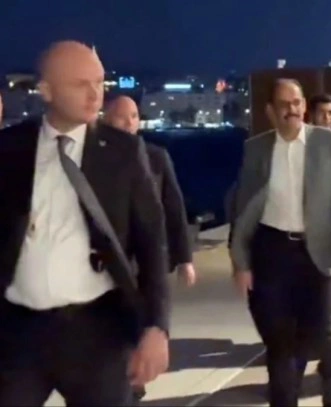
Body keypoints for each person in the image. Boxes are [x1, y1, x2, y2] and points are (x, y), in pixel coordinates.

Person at [0, 40, 169, 405]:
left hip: (97, 334)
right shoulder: (10, 148)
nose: (95, 94)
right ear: (46, 90)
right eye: (81, 84)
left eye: (99, 82)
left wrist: (156, 326)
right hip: (17, 334)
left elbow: (152, 241)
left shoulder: (124, 152)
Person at [229, 78, 331, 407]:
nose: (292, 110)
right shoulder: (256, 149)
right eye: (284, 104)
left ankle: (330, 375)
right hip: (272, 253)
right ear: (270, 111)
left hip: (316, 253)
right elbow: (243, 210)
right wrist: (241, 262)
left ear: (304, 106)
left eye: (297, 103)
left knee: (320, 332)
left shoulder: (330, 142)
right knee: (278, 344)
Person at [103, 95, 196, 401]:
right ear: (106, 120)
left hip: (146, 264)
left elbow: (174, 208)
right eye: (121, 117)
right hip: (108, 265)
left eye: (133, 116)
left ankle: (134, 385)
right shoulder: (94, 160)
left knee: (142, 325)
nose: (128, 123)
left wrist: (184, 258)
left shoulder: (156, 157)